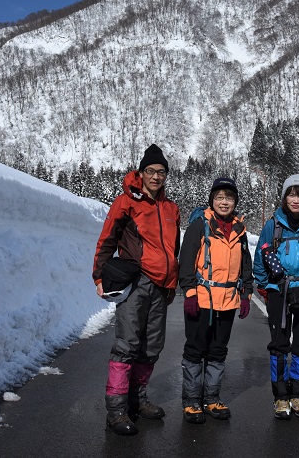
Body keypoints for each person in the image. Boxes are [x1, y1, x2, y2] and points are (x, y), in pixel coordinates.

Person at [92, 144, 180, 436]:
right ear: (141, 173)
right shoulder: (126, 202)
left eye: (161, 172)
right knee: (127, 345)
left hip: (161, 286)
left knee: (152, 346)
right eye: (151, 171)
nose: (156, 176)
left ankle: (137, 399)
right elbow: (107, 239)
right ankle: (116, 411)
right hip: (136, 282)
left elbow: (173, 250)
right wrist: (99, 276)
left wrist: (172, 283)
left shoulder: (171, 208)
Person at [178, 177, 254, 424]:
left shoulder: (240, 230)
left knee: (218, 350)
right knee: (195, 349)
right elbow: (186, 262)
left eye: (229, 198)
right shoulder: (199, 226)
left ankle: (211, 398)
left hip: (228, 302)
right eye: (219, 197)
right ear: (212, 200)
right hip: (202, 300)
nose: (224, 202)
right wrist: (189, 293)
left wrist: (246, 293)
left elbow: (245, 264)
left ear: (235, 202)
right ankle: (191, 400)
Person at [253, 174, 299, 420]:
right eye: (292, 194)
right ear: (284, 197)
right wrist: (266, 287)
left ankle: (298, 395)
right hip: (280, 291)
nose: (296, 200)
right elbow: (260, 257)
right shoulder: (273, 225)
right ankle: (281, 396)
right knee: (280, 345)